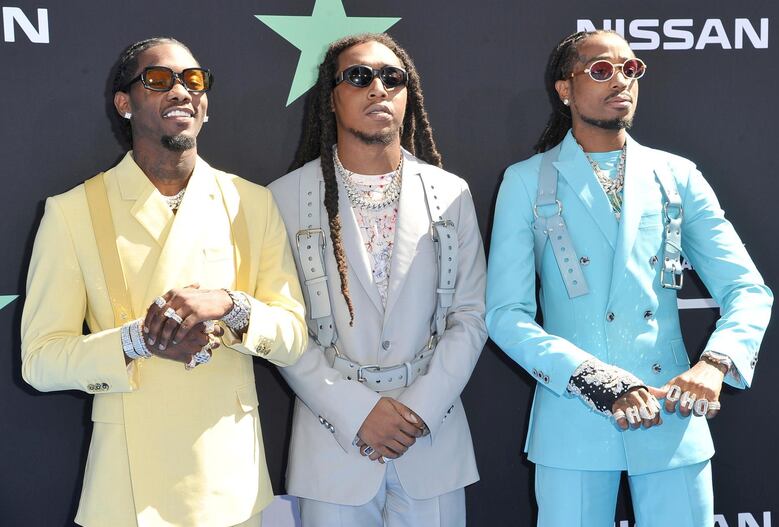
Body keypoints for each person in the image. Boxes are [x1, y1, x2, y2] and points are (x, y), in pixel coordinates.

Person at [485, 30, 773, 526]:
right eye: (601, 69)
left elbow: (748, 289)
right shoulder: (526, 180)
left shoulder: (676, 174)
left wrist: (716, 363)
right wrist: (590, 377)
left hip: (672, 412)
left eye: (631, 68)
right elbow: (506, 315)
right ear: (565, 88)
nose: (621, 80)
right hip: (573, 417)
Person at [20, 37, 307, 527]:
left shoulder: (251, 203)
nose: (180, 91)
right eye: (159, 80)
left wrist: (231, 306)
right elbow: (40, 361)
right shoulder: (73, 212)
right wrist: (138, 341)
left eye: (193, 80)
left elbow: (294, 338)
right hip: (126, 493)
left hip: (230, 485)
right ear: (124, 103)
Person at [268, 33, 487, 526]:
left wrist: (417, 412)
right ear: (331, 95)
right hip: (331, 447)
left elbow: (470, 317)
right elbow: (283, 329)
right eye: (359, 76)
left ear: (408, 96)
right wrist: (357, 412)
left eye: (392, 78)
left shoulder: (450, 193)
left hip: (432, 442)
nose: (378, 89)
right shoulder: (284, 197)